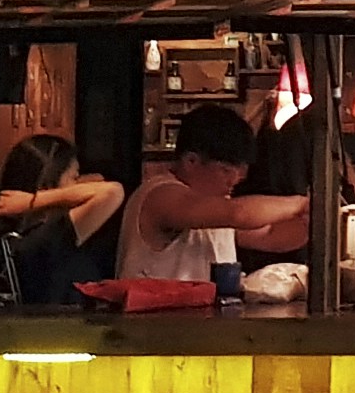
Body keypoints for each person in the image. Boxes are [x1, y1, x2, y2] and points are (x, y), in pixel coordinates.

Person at [117, 105, 311, 282]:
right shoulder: (161, 194)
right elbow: (237, 213)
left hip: (201, 317)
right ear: (191, 161)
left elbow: (271, 236)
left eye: (238, 174)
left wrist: (315, 222)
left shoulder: (212, 206)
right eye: (225, 171)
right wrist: (300, 204)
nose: (233, 181)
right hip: (152, 319)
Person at [0, 134, 123, 303]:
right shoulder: (44, 236)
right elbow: (113, 192)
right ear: (48, 184)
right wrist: (34, 200)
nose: (77, 187)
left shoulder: (7, 228)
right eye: (74, 178)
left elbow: (99, 180)